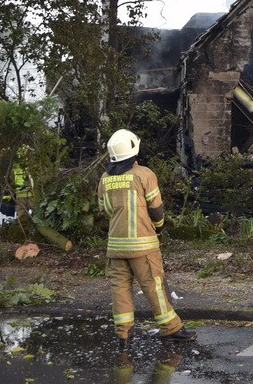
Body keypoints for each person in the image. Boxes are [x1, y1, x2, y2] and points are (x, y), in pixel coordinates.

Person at [98, 128, 196, 347]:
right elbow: (156, 209)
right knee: (154, 286)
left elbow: (105, 209)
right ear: (134, 150)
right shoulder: (144, 174)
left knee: (120, 289)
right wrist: (158, 227)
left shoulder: (105, 179)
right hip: (143, 246)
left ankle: (123, 334)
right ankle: (171, 329)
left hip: (115, 246)